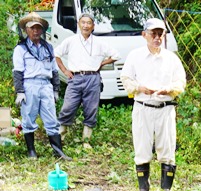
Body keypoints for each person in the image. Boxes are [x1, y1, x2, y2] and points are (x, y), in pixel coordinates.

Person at [121, 18, 186, 191]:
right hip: (143, 107)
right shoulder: (135, 56)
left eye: (160, 34)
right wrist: (139, 88)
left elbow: (181, 81)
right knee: (142, 147)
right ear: (144, 35)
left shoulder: (171, 58)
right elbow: (125, 78)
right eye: (153, 34)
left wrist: (169, 89)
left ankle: (166, 190)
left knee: (167, 147)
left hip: (165, 108)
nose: (157, 37)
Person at [55, 12, 120, 145]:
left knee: (91, 109)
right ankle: (60, 138)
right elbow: (56, 54)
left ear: (93, 26)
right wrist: (65, 70)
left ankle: (86, 141)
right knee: (68, 107)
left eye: (88, 23)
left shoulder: (99, 42)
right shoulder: (71, 40)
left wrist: (101, 63)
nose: (85, 26)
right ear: (79, 25)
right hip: (75, 78)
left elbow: (116, 55)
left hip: (93, 78)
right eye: (83, 22)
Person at [12, 12, 70, 161]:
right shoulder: (21, 49)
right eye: (32, 28)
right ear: (26, 30)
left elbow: (54, 71)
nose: (35, 31)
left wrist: (56, 89)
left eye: (38, 28)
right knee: (28, 119)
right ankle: (31, 151)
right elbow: (18, 71)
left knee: (51, 119)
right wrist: (20, 91)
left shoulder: (48, 48)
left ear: (42, 30)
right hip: (29, 85)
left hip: (46, 85)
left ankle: (58, 152)